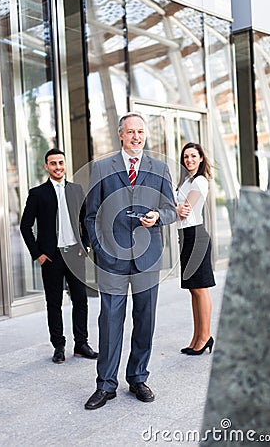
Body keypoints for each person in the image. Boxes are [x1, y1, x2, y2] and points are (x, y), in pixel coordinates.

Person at [84, 112, 177, 410]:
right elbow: (91, 214)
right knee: (110, 321)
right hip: (111, 258)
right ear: (120, 135)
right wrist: (100, 248)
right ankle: (106, 385)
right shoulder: (102, 168)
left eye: (141, 132)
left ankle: (137, 377)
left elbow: (171, 209)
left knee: (145, 320)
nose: (136, 137)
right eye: (130, 132)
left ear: (145, 135)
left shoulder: (160, 168)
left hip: (147, 258)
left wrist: (159, 216)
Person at [20, 148, 97, 364]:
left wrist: (86, 245)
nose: (58, 167)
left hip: (75, 253)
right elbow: (25, 226)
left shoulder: (76, 189)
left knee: (80, 300)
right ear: (46, 166)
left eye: (61, 163)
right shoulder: (37, 193)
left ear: (65, 164)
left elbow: (86, 219)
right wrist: (38, 255)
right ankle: (59, 346)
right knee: (54, 303)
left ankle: (81, 343)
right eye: (53, 163)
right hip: (51, 257)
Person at [176, 142, 215, 356]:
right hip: (186, 237)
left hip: (196, 235)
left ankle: (205, 336)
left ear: (201, 158)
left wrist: (168, 209)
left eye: (193, 156)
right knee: (193, 289)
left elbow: (185, 210)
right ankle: (196, 336)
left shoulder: (200, 180)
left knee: (201, 289)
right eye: (185, 157)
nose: (189, 160)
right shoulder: (186, 181)